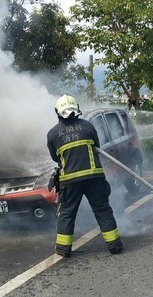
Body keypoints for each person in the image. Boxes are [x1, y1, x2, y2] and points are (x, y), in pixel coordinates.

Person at [47, 95, 123, 258]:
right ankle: (115, 246)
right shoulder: (88, 126)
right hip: (94, 178)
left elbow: (55, 158)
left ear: (57, 112)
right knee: (102, 209)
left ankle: (63, 249)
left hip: (70, 181)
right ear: (77, 108)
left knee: (67, 213)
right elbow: (97, 146)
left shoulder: (52, 134)